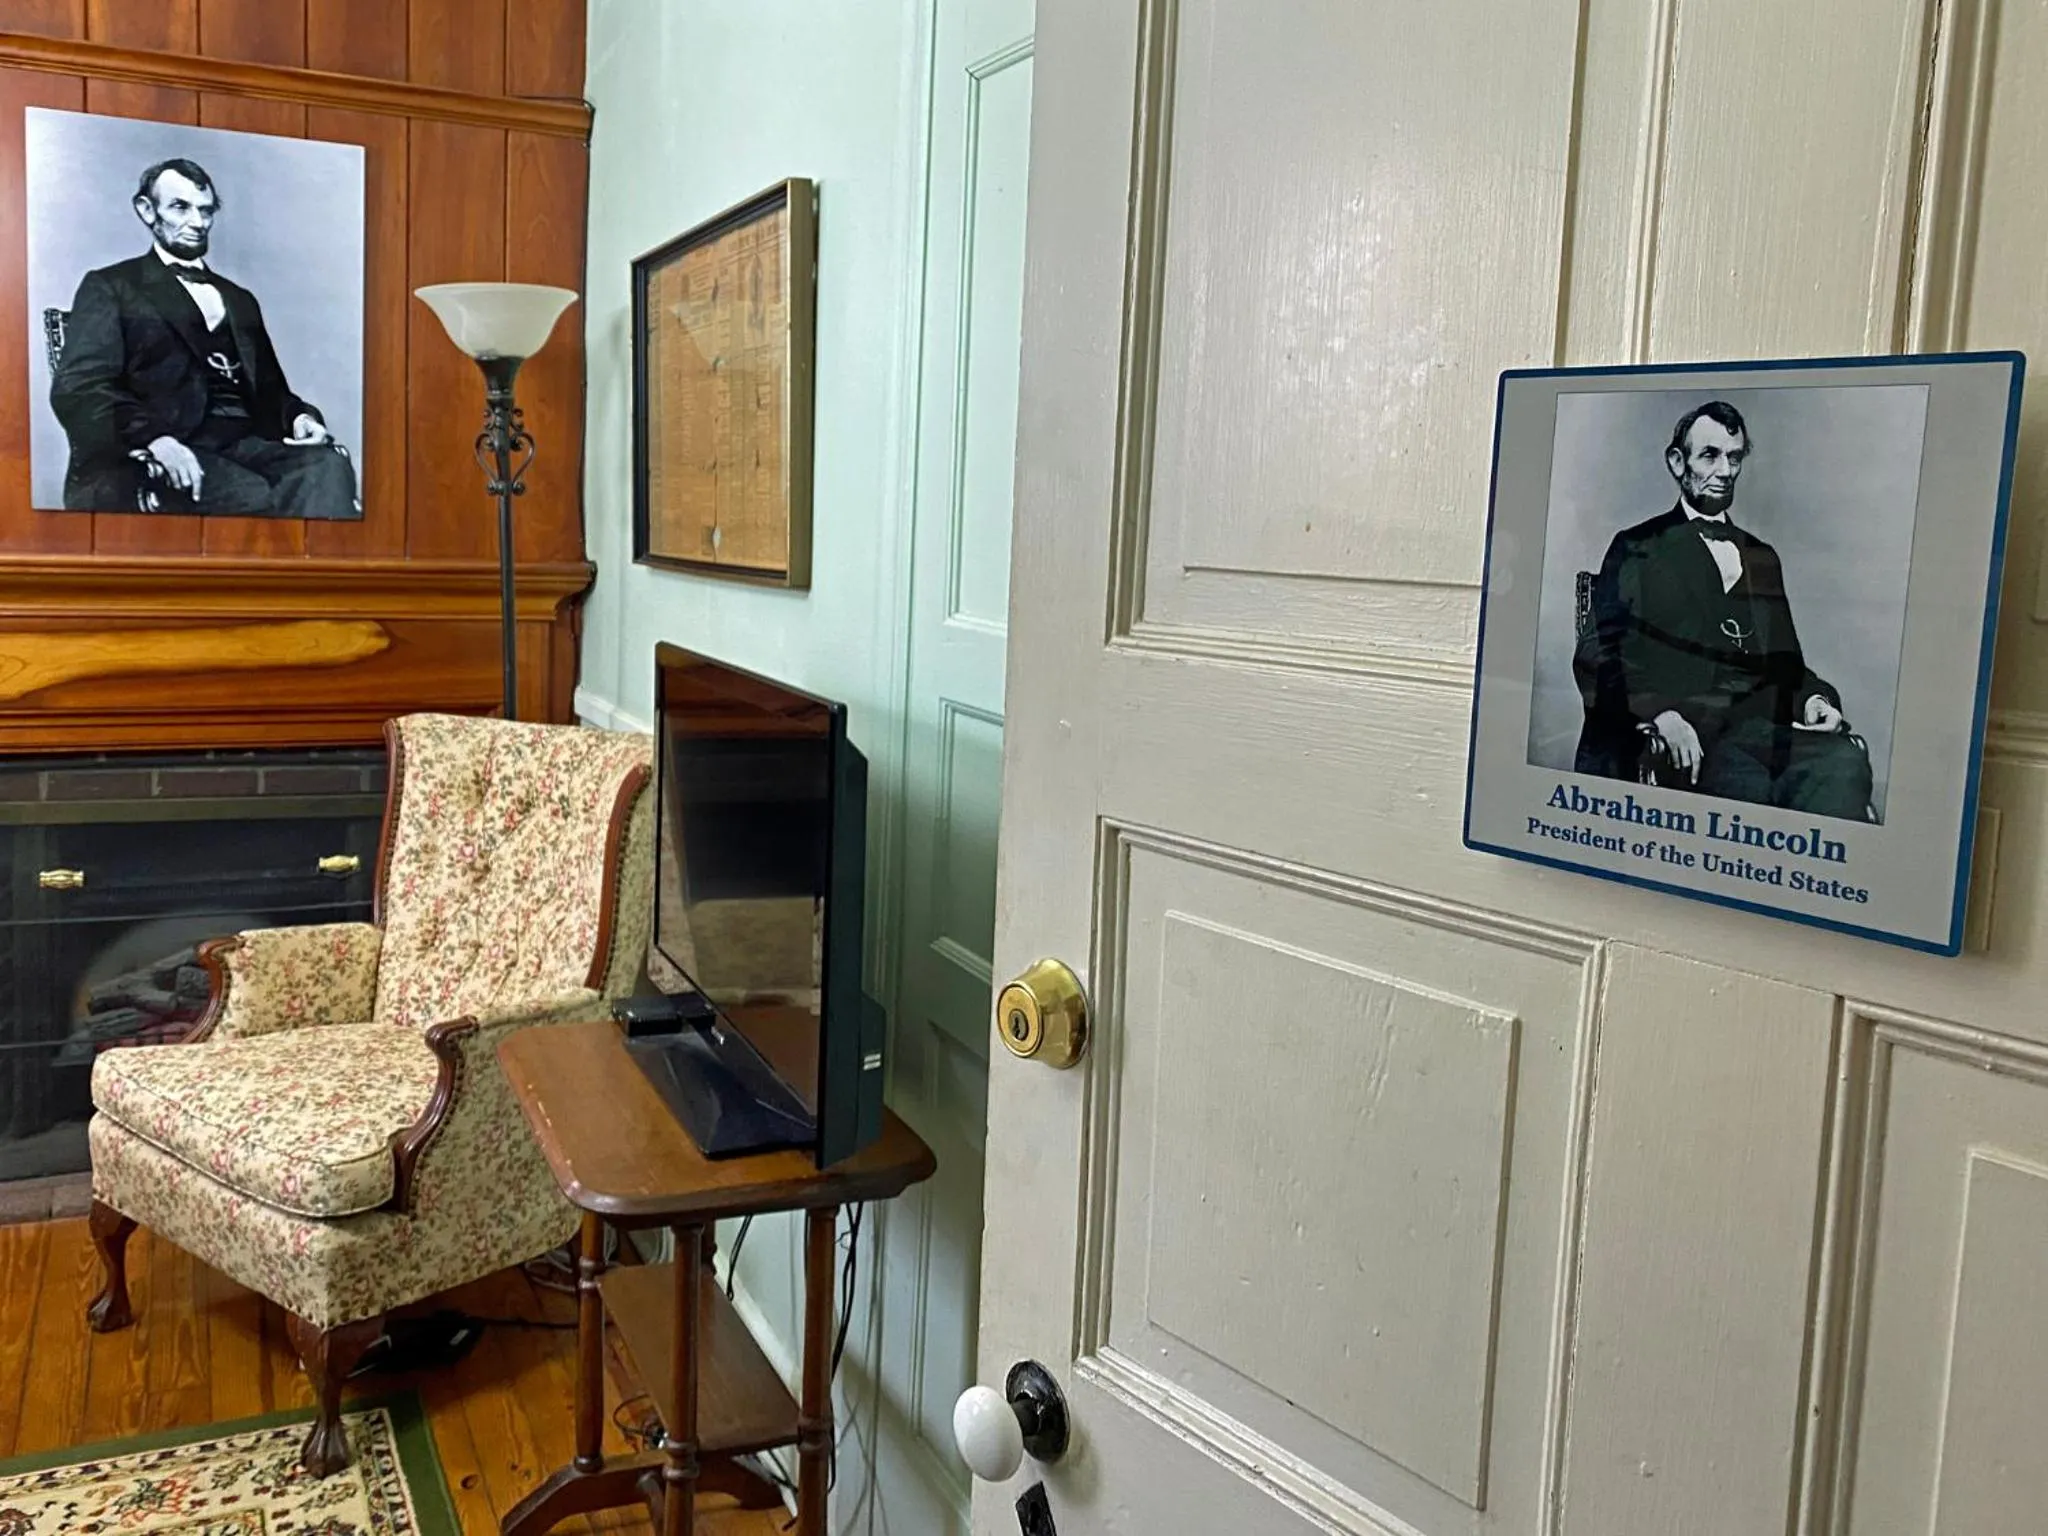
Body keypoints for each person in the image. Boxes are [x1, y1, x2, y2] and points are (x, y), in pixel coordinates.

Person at [1576, 400, 1873, 820]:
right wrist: (1660, 712)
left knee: (1843, 764)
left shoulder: (1761, 557)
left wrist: (1812, 701)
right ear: (1678, 463)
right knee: (1744, 791)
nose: (1725, 471)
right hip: (1694, 733)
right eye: (1710, 455)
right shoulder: (1638, 547)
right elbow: (1598, 652)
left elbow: (1786, 664)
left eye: (1734, 457)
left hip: (1764, 729)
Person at [49, 157, 358, 518]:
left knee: (325, 470)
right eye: (180, 208)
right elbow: (80, 387)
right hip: (159, 446)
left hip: (244, 443)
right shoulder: (111, 286)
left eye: (206, 211)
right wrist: (155, 439)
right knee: (249, 493)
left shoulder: (239, 299)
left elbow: (272, 393)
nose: (197, 223)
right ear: (147, 210)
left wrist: (299, 419)